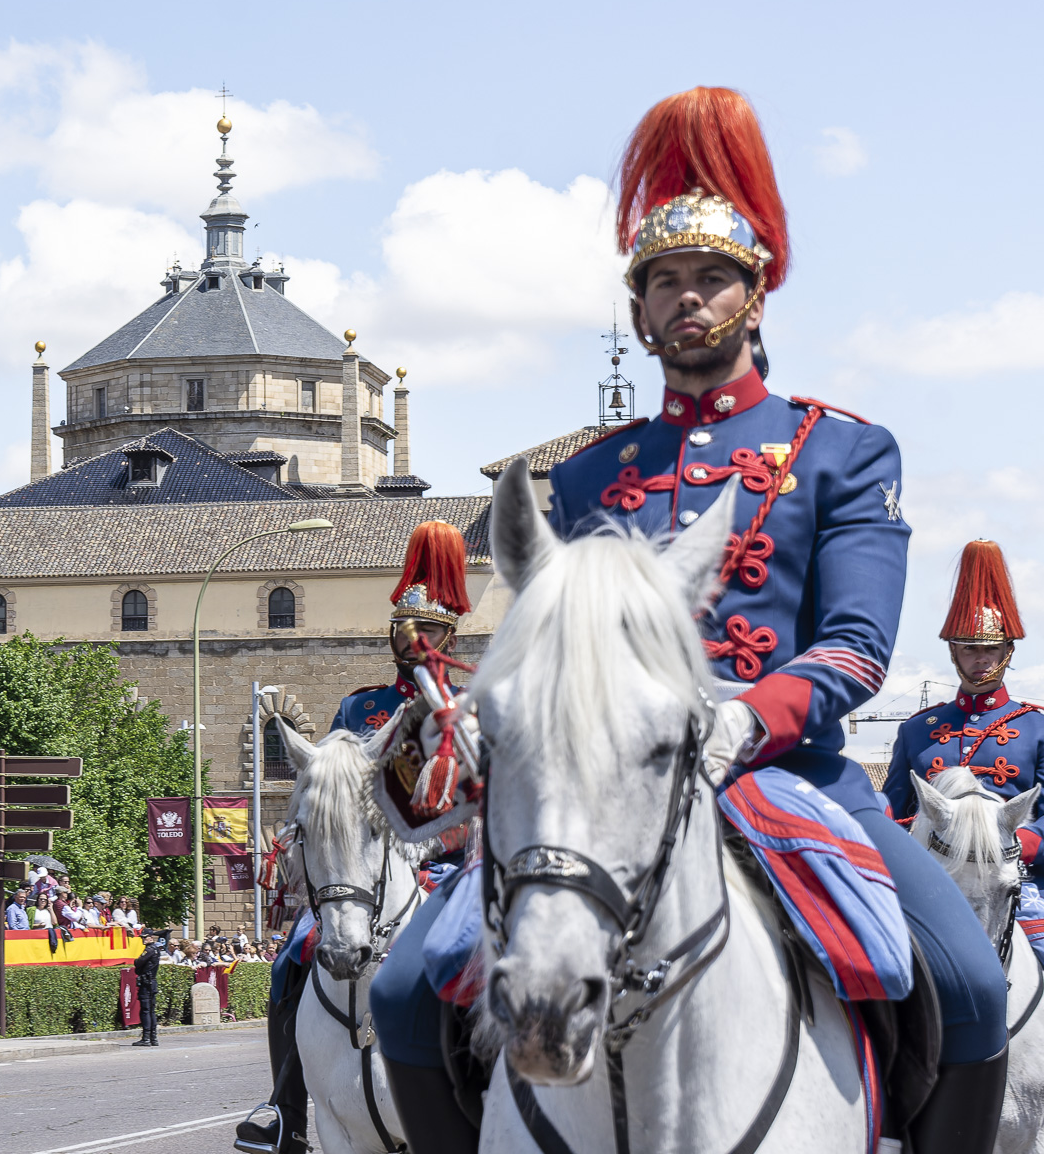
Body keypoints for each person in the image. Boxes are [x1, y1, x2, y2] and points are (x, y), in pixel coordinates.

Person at [367, 86, 1007, 1154]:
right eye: (665, 281)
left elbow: (854, 643)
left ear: (756, 298)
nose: (688, 300)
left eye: (712, 278)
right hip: (597, 789)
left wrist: (745, 721)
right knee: (398, 991)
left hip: (786, 775)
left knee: (972, 982)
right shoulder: (587, 480)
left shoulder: (839, 452)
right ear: (638, 309)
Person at [237, 517, 470, 1154]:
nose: (415, 640)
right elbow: (330, 794)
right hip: (362, 877)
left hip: (452, 875)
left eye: (428, 630)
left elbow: (482, 804)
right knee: (291, 962)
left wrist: (434, 846)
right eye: (405, 630)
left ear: (449, 636)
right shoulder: (360, 710)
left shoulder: (469, 709)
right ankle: (286, 1109)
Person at [885, 541, 1044, 854]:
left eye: (990, 649)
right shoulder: (915, 730)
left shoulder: (1037, 730)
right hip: (933, 871)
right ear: (953, 651)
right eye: (970, 648)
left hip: (1015, 871)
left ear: (1007, 652)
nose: (981, 659)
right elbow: (894, 812)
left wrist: (1012, 845)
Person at [132, 928, 163, 1046]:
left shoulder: (150, 950)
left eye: (145, 937)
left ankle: (146, 1038)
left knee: (146, 1011)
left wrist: (137, 962)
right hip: (151, 982)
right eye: (142, 937)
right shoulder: (156, 949)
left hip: (146, 983)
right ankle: (153, 1038)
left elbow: (138, 962)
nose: (143, 939)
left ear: (151, 937)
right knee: (151, 1011)